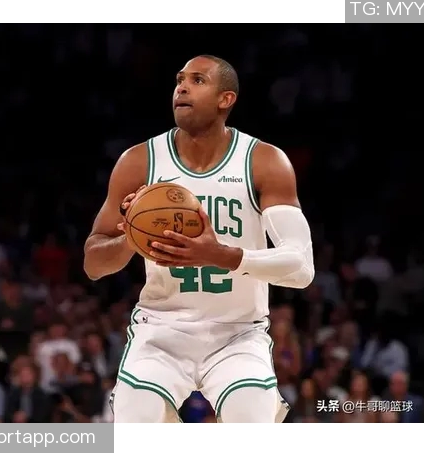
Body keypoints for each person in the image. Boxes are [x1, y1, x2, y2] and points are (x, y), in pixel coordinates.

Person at [83, 55, 315, 423]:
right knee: (135, 421)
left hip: (239, 333)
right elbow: (93, 264)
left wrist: (221, 255)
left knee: (250, 421)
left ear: (226, 99)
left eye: (197, 80)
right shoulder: (140, 161)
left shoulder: (264, 161)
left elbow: (301, 268)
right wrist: (131, 238)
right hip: (161, 329)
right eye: (179, 80)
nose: (182, 88)